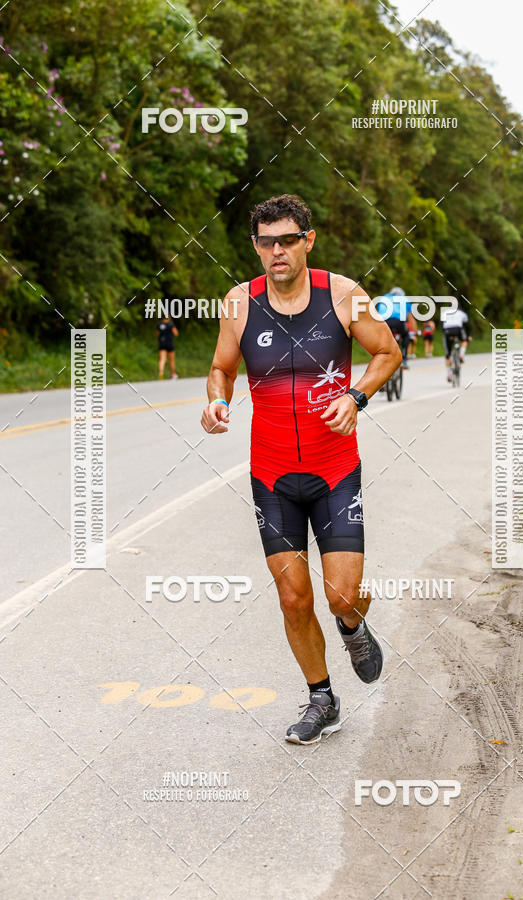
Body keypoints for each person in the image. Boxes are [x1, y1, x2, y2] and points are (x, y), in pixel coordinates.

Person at [201, 194, 402, 744]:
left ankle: (354, 626)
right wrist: (217, 399)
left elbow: (387, 352)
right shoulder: (239, 303)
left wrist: (356, 397)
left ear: (307, 241)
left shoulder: (343, 295)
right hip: (271, 477)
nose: (277, 251)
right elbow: (221, 367)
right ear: (256, 247)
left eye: (288, 239)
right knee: (293, 597)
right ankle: (322, 699)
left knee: (341, 595)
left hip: (334, 468)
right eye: (266, 242)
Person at [374, 286, 417, 370]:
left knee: (383, 340)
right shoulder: (404, 299)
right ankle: (403, 359)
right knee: (406, 336)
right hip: (398, 323)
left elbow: (377, 315)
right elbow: (411, 319)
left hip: (384, 323)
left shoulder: (383, 298)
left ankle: (380, 359)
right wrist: (415, 332)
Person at [441, 305, 470, 382]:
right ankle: (461, 355)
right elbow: (466, 324)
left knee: (448, 354)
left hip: (447, 331)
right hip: (458, 330)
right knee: (464, 340)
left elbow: (442, 325)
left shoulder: (445, 312)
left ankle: (448, 374)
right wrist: (468, 336)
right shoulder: (461, 313)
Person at [157, 314, 179, 379]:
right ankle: (172, 374)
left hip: (162, 344)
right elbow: (176, 333)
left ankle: (161, 373)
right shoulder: (170, 324)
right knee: (171, 360)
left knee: (162, 359)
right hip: (170, 344)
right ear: (168, 317)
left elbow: (157, 334)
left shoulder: (159, 325)